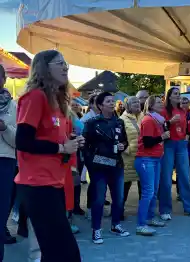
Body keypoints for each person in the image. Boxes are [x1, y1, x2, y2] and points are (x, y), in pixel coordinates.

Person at [15, 50, 83, 262]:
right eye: (59, 63)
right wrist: (62, 148)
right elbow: (23, 141)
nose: (65, 67)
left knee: (56, 251)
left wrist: (70, 144)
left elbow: (53, 140)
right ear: (44, 67)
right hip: (37, 185)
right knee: (63, 253)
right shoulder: (36, 97)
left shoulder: (57, 101)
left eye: (66, 63)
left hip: (54, 182)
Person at [82, 91, 130, 244]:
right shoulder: (92, 123)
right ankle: (96, 229)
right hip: (99, 166)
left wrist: (123, 145)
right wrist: (91, 162)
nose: (111, 103)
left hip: (116, 164)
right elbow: (85, 146)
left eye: (112, 101)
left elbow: (125, 141)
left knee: (119, 198)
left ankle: (116, 225)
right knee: (99, 199)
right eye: (108, 101)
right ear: (100, 105)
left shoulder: (119, 122)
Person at [159, 88, 190, 220]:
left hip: (181, 144)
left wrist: (186, 137)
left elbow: (185, 127)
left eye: (179, 94)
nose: (178, 96)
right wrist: (170, 122)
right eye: (175, 94)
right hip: (169, 144)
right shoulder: (164, 111)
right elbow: (160, 128)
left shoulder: (183, 111)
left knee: (184, 176)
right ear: (169, 97)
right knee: (166, 178)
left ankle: (189, 208)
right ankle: (165, 209)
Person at [135, 95, 170, 236]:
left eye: (162, 102)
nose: (162, 104)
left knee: (153, 191)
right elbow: (148, 142)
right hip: (146, 159)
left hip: (155, 159)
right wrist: (162, 137)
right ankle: (141, 224)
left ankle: (149, 218)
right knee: (148, 192)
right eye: (158, 102)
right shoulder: (149, 120)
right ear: (151, 105)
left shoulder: (158, 120)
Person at [0, 64, 17, 261]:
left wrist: (4, 128)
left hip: (5, 163)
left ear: (4, 79)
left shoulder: (14, 106)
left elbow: (18, 140)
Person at [120, 96, 142, 220]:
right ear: (127, 105)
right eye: (134, 102)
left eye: (138, 102)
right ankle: (119, 210)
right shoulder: (122, 119)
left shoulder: (143, 117)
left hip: (142, 156)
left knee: (143, 185)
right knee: (125, 185)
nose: (137, 104)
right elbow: (120, 138)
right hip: (128, 157)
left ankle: (144, 211)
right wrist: (126, 149)